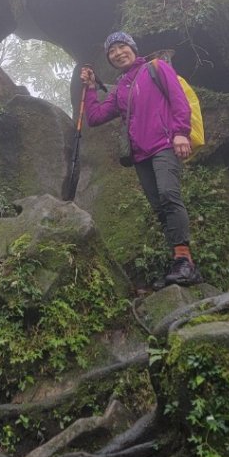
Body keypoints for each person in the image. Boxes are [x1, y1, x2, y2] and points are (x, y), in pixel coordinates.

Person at [80, 31, 203, 288]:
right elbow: (95, 117)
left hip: (164, 144)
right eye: (112, 52)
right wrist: (91, 88)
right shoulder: (121, 86)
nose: (117, 53)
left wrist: (181, 133)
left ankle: (185, 262)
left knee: (170, 196)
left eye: (122, 47)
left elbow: (179, 100)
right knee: (159, 207)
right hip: (140, 154)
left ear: (133, 48)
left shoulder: (156, 68)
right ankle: (180, 263)